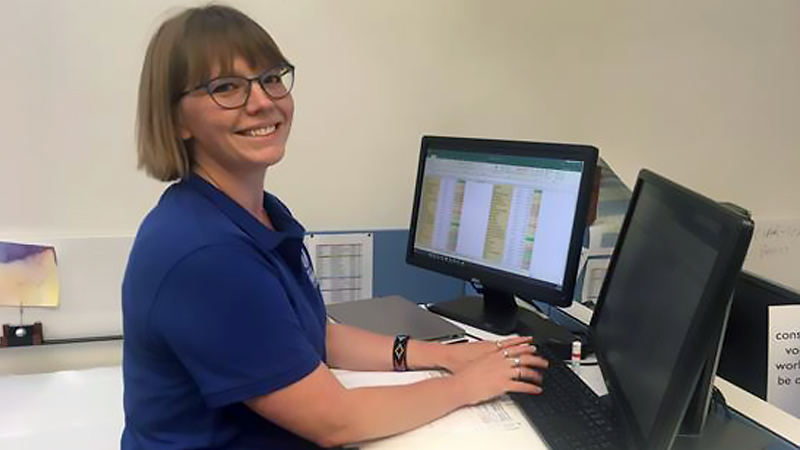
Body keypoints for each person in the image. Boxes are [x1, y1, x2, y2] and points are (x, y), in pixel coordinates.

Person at [123, 5, 548, 449]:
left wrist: (443, 355)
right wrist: (465, 386)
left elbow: (317, 335)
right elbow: (336, 421)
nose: (263, 101)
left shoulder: (255, 215)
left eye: (270, 78)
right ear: (176, 119)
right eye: (226, 87)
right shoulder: (208, 254)